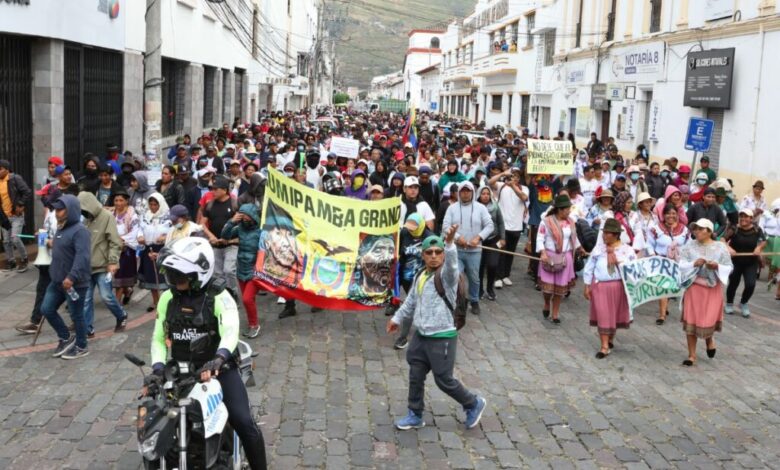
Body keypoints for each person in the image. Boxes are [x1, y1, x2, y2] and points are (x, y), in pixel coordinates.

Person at [148, 237, 267, 469]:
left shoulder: (220, 297)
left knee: (243, 422)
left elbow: (231, 332)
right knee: (157, 421)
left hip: (219, 369)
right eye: (170, 275)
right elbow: (158, 338)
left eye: (178, 276)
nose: (172, 280)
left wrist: (219, 358)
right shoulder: (167, 299)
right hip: (181, 371)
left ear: (198, 273)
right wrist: (158, 368)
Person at [386, 225, 486, 431]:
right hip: (421, 335)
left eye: (437, 252)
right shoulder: (420, 275)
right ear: (422, 255)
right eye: (429, 253)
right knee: (415, 374)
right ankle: (415, 414)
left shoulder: (448, 277)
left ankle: (473, 403)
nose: (433, 256)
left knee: (444, 380)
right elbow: (411, 301)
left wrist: (449, 244)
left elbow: (452, 266)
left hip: (442, 336)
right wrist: (397, 318)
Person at [41, 194, 92, 359]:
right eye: (56, 209)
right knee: (46, 309)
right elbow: (61, 247)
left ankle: (82, 346)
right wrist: (49, 242)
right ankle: (65, 337)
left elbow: (82, 257)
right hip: (57, 281)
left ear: (71, 210)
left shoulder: (80, 231)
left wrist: (71, 277)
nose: (57, 212)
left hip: (74, 283)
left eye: (61, 209)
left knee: (76, 315)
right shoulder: (61, 228)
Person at [679, 218, 733, 366]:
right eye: (695, 228)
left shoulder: (720, 247)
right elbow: (681, 265)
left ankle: (709, 340)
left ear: (709, 231)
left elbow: (729, 266)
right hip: (694, 287)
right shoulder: (688, 247)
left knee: (706, 320)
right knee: (692, 320)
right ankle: (692, 355)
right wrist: (693, 264)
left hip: (712, 288)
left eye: (700, 228)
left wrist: (717, 267)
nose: (696, 231)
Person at [583, 218, 637, 359]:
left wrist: (621, 262)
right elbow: (590, 266)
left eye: (607, 233)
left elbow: (633, 269)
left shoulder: (627, 250)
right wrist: (587, 285)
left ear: (615, 234)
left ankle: (610, 338)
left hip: (618, 287)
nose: (604, 236)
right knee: (603, 315)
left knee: (613, 315)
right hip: (601, 286)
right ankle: (604, 346)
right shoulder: (599, 249)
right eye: (604, 233)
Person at [77, 191, 128, 337]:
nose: (83, 212)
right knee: (86, 299)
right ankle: (88, 328)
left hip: (103, 265)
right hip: (87, 266)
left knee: (106, 296)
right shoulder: (84, 220)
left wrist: (113, 262)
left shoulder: (107, 217)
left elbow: (115, 241)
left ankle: (121, 315)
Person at [442, 181, 494, 316]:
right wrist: (458, 238)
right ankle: (456, 300)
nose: (465, 193)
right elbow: (445, 226)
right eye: (463, 191)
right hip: (456, 250)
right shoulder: (452, 208)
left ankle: (474, 300)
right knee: (456, 276)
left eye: (468, 191)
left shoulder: (481, 208)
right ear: (459, 193)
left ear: (472, 192)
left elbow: (490, 225)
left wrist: (479, 237)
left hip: (474, 251)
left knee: (474, 278)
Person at [15, 187, 62, 334]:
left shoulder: (60, 214)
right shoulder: (50, 212)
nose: (42, 200)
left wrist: (47, 240)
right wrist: (41, 234)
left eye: (44, 197)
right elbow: (48, 233)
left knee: (69, 293)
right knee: (42, 289)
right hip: (47, 259)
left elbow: (59, 239)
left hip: (60, 261)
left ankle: (81, 322)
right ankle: (35, 322)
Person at [536, 194, 581, 323]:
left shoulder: (570, 222)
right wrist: (543, 253)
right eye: (567, 209)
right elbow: (540, 238)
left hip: (565, 258)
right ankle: (546, 303)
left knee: (559, 289)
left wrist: (579, 248)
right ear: (560, 209)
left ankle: (555, 313)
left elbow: (573, 237)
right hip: (549, 256)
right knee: (548, 289)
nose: (569, 211)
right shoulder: (546, 221)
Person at [221, 204, 262, 338]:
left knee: (246, 299)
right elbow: (225, 236)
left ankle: (254, 325)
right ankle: (252, 321)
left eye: (246, 215)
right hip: (241, 269)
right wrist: (231, 222)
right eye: (241, 214)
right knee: (249, 300)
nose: (244, 218)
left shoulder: (261, 232)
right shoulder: (239, 229)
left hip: (254, 271)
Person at [393, 213, 433, 349]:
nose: (411, 230)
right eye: (409, 227)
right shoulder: (404, 233)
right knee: (411, 306)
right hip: (406, 277)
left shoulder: (429, 237)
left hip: (423, 279)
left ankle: (403, 337)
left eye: (413, 227)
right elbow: (398, 252)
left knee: (410, 307)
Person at [646, 204, 690, 324]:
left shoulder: (684, 230)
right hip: (662, 261)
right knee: (663, 286)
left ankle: (670, 308)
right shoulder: (655, 228)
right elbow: (649, 243)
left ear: (677, 215)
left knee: (675, 286)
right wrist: (652, 255)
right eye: (668, 214)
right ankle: (662, 315)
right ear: (663, 215)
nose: (671, 216)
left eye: (673, 214)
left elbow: (688, 245)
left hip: (678, 263)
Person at [202, 176, 240, 299]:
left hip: (231, 244)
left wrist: (230, 239)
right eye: (212, 189)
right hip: (215, 245)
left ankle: (233, 294)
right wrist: (211, 236)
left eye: (215, 189)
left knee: (229, 270)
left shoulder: (235, 203)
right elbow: (202, 224)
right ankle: (222, 297)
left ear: (224, 190)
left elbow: (240, 225)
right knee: (217, 273)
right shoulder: (209, 205)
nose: (212, 191)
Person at [724, 208, 766, 318]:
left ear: (751, 218)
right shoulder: (734, 229)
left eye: (746, 217)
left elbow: (764, 241)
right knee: (733, 283)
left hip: (751, 262)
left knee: (751, 284)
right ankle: (729, 303)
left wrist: (758, 248)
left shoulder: (757, 229)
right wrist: (728, 248)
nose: (743, 219)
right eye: (741, 216)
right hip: (735, 261)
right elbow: (722, 240)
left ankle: (743, 303)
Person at [490, 167, 528, 287]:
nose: (514, 178)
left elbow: (523, 197)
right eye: (512, 175)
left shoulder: (524, 188)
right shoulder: (502, 186)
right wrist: (502, 173)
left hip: (516, 226)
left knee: (510, 253)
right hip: (503, 226)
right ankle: (498, 277)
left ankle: (506, 275)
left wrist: (513, 186)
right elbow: (490, 182)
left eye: (516, 176)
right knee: (500, 251)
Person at [137, 193, 172, 313]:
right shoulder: (145, 216)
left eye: (155, 204)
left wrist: (165, 236)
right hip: (148, 249)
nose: (152, 207)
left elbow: (174, 231)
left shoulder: (168, 217)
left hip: (162, 249)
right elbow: (139, 229)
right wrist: (140, 236)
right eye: (150, 204)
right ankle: (155, 301)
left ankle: (166, 301)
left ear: (160, 204)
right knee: (151, 276)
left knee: (164, 276)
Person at [0, 159, 32, 272]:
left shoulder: (14, 178)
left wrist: (20, 204)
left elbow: (27, 192)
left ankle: (24, 259)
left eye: (1, 169)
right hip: (4, 216)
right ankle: (11, 261)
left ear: (7, 170)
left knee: (15, 238)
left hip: (16, 215)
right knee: (6, 241)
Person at [110, 188, 140, 305]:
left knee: (121, 275)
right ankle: (127, 291)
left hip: (126, 248)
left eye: (121, 200)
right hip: (114, 248)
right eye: (116, 200)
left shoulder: (132, 215)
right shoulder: (112, 214)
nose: (118, 203)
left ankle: (116, 303)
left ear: (126, 201)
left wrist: (122, 240)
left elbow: (135, 231)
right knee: (117, 275)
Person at [477, 186, 505, 301]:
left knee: (492, 264)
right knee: (479, 266)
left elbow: (501, 222)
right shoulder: (475, 207)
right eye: (483, 193)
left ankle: (490, 289)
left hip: (493, 239)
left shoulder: (495, 206)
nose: (485, 196)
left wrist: (503, 238)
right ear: (479, 195)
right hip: (479, 240)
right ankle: (479, 289)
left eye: (487, 194)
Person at [759, 198, 780, 300]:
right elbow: (761, 226)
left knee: (776, 262)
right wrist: (763, 236)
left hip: (775, 238)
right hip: (771, 238)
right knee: (773, 261)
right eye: (777, 209)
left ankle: (774, 280)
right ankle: (771, 278)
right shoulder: (768, 214)